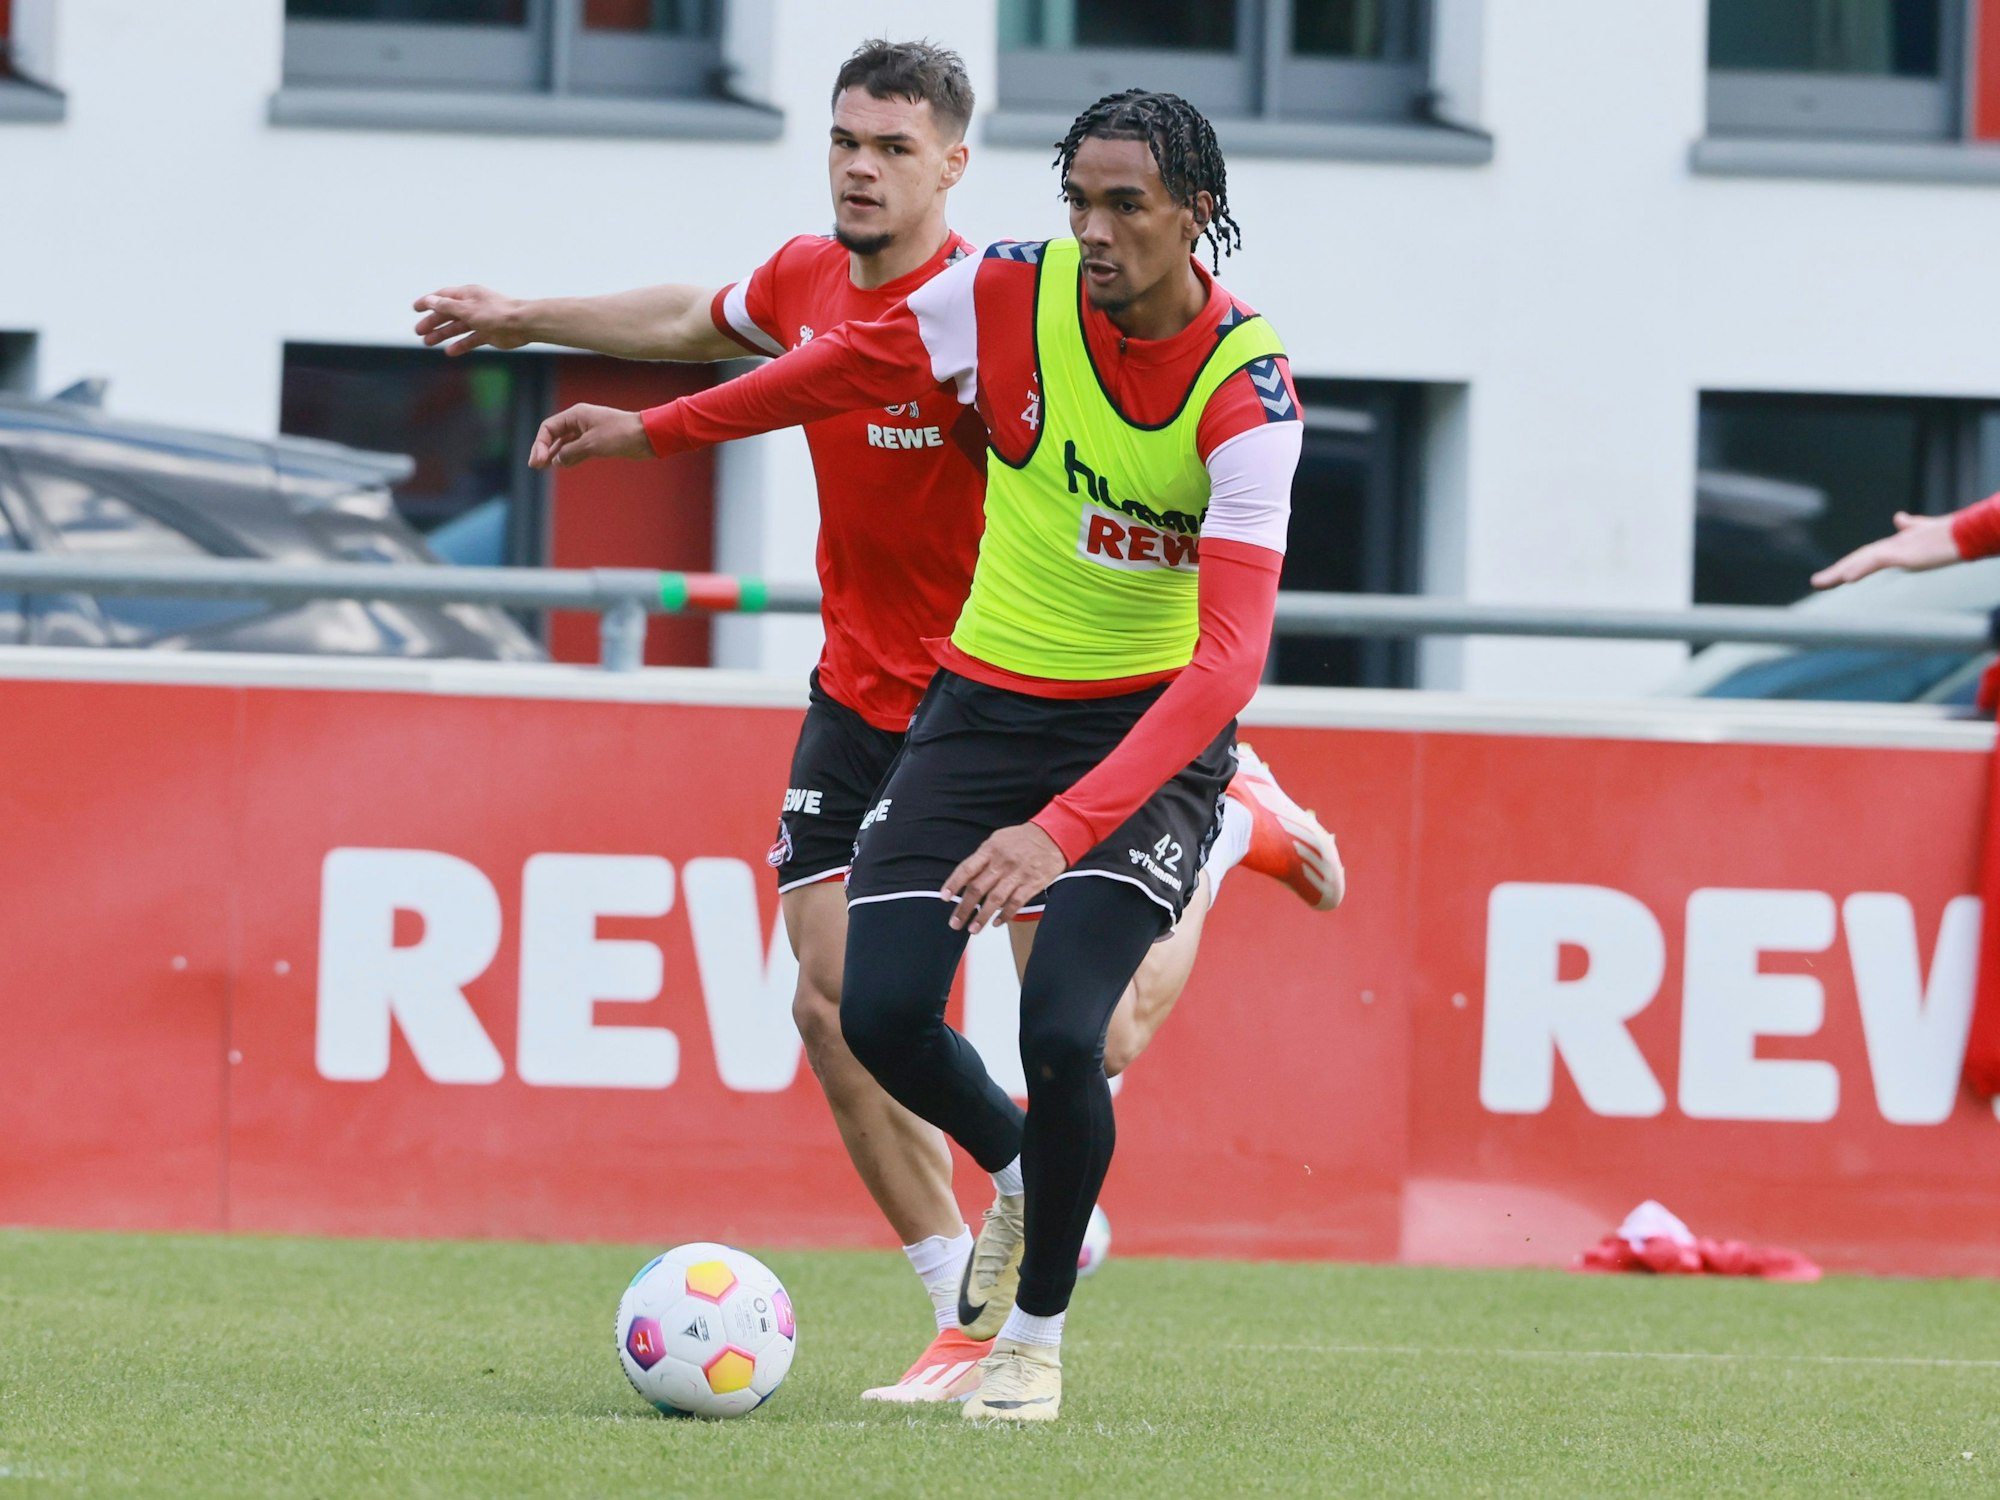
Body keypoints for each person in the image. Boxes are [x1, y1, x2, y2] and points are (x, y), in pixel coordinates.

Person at [422, 51, 1341, 1405]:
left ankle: (1227, 835)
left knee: (1082, 1026)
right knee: (842, 1005)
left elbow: (1211, 640)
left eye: (891, 148)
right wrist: (562, 351)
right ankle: (963, 1294)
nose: (860, 165)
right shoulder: (836, 284)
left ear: (951, 166)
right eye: (844, 140)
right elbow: (731, 331)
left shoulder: (1081, 337)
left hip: (1071, 713)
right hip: (880, 696)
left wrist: (1071, 814)